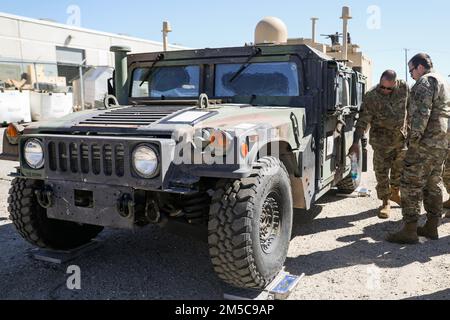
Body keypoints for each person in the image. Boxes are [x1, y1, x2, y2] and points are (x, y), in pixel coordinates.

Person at [387, 53, 450, 244]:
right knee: (433, 182)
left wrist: (412, 141)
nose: (411, 74)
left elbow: (422, 113)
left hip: (425, 142)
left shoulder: (425, 81)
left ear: (420, 67)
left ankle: (410, 230)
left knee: (410, 183)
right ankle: (431, 226)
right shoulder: (442, 80)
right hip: (440, 142)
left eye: (411, 70)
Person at [349, 70, 409, 219]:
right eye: (383, 87)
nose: (386, 91)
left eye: (389, 88)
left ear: (395, 84)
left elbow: (412, 109)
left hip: (400, 140)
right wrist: (356, 142)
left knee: (398, 170)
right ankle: (385, 202)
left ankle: (395, 193)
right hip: (381, 142)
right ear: (380, 82)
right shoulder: (371, 96)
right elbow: (363, 121)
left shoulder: (404, 88)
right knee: (381, 173)